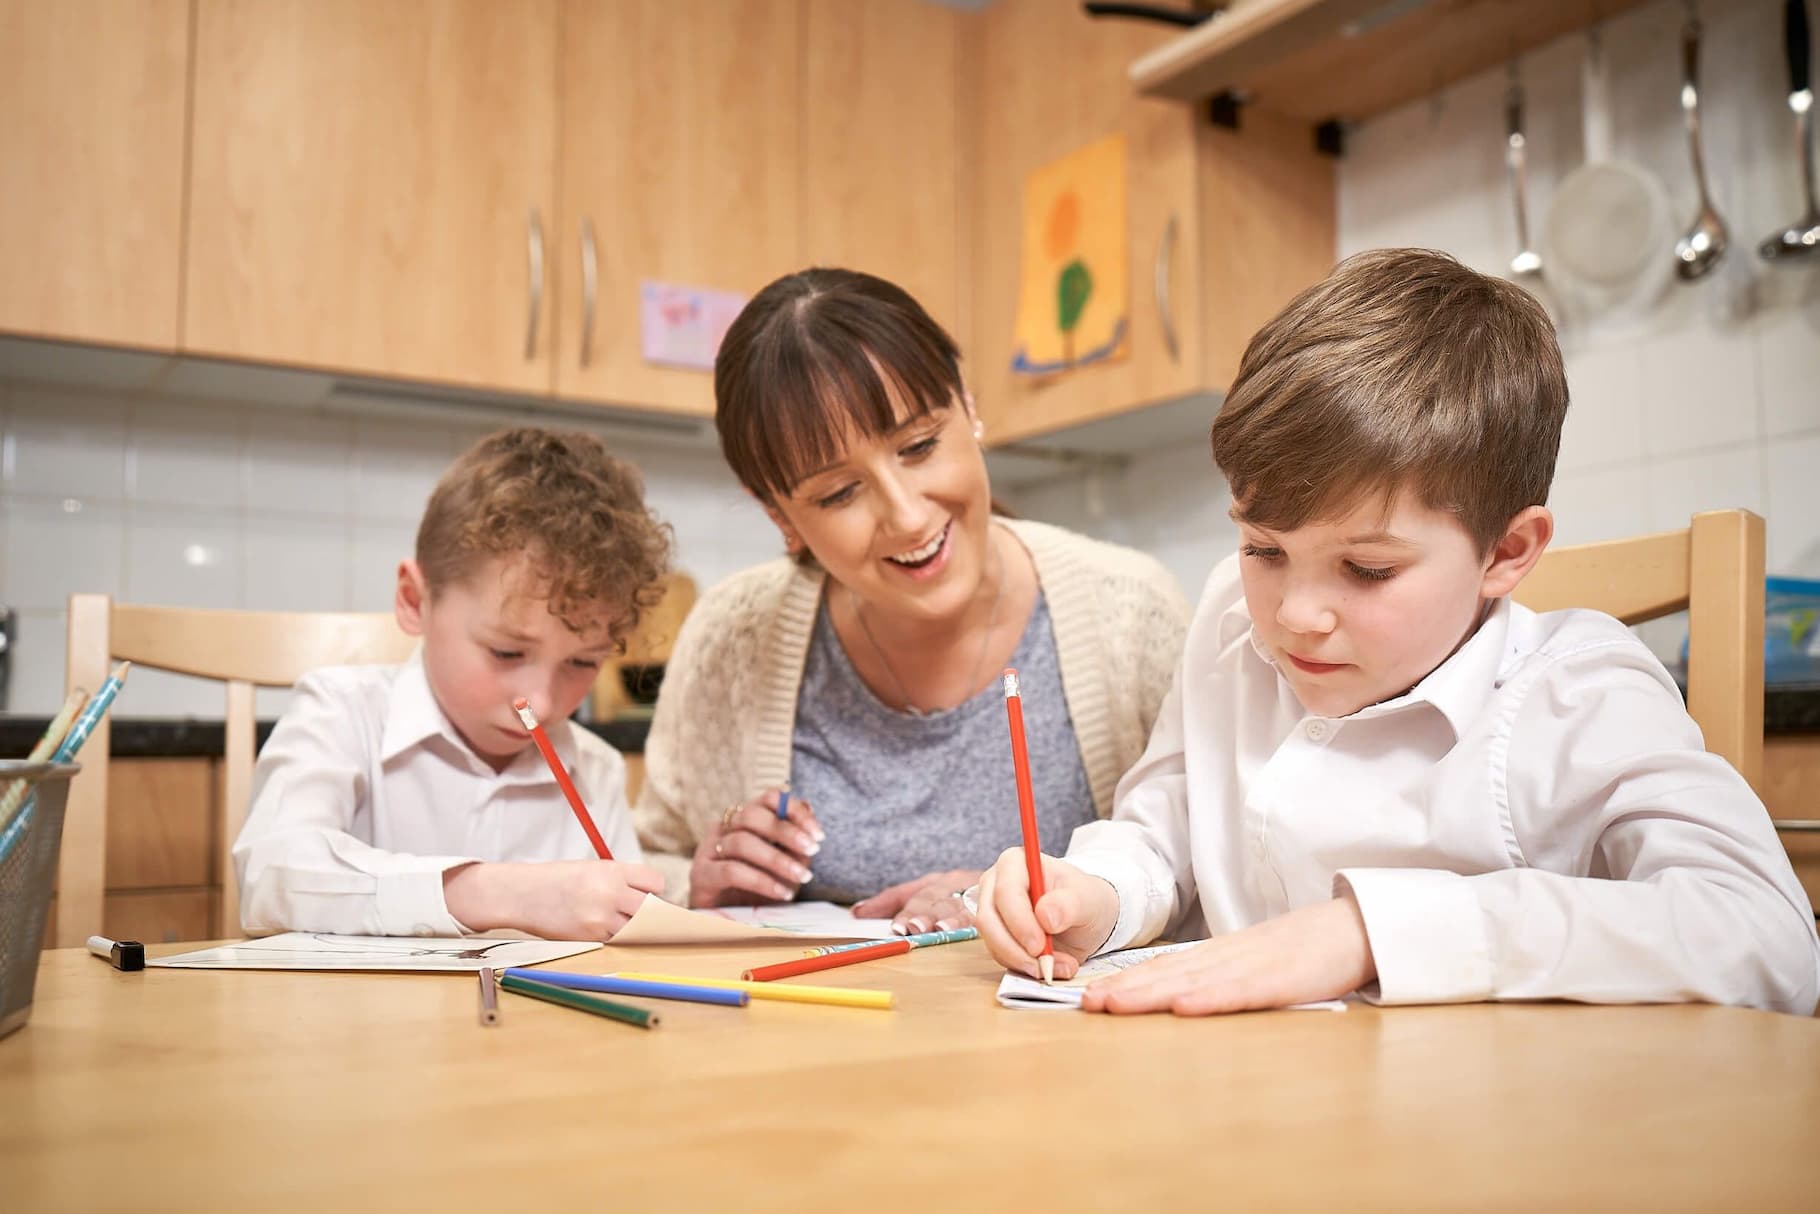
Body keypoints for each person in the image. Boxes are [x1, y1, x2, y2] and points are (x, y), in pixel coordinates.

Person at [977, 248, 1820, 1016]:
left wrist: (1366, 933)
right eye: (1264, 548)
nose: (1294, 615)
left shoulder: (1578, 691)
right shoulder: (1232, 619)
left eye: (1368, 570)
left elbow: (1771, 941)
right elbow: (1163, 830)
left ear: (1507, 551)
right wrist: (1095, 889)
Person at [633, 268, 1191, 932]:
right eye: (838, 493)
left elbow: (1211, 878)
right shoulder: (732, 636)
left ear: (969, 406)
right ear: (779, 515)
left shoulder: (1131, 613)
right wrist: (700, 887)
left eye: (919, 446)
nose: (904, 516)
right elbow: (647, 864)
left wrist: (1047, 895)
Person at [234, 427, 673, 940]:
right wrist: (505, 895)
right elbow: (272, 877)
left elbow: (629, 935)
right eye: (507, 651)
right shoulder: (340, 713)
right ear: (415, 601)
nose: (543, 702)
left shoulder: (594, 768)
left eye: (582, 662)